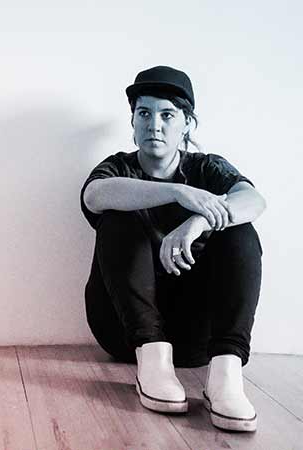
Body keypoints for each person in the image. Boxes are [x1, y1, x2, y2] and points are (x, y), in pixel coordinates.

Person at [80, 65, 266, 432]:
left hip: (198, 337)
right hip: (125, 333)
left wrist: (199, 221)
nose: (154, 125)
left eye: (167, 115)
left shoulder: (207, 168)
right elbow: (94, 195)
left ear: (187, 124)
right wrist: (178, 192)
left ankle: (227, 375)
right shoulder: (119, 167)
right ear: (133, 122)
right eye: (144, 113)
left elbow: (254, 200)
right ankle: (152, 361)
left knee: (239, 230)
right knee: (116, 217)